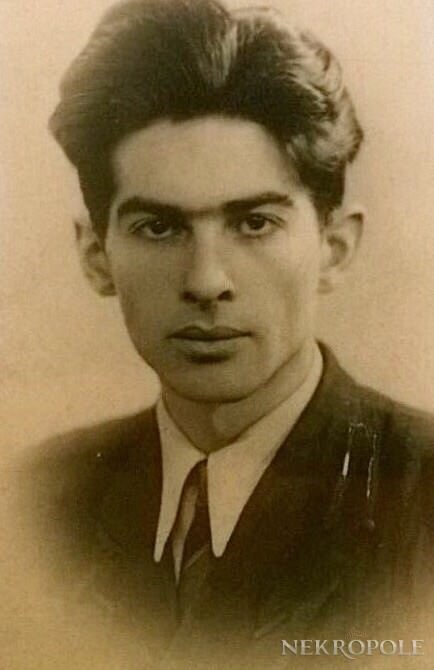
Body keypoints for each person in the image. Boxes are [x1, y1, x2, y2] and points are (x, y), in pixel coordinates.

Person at [5, 1, 433, 668]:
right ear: (96, 255)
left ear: (335, 247)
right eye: (159, 227)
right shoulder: (32, 500)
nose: (206, 281)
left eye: (255, 223)